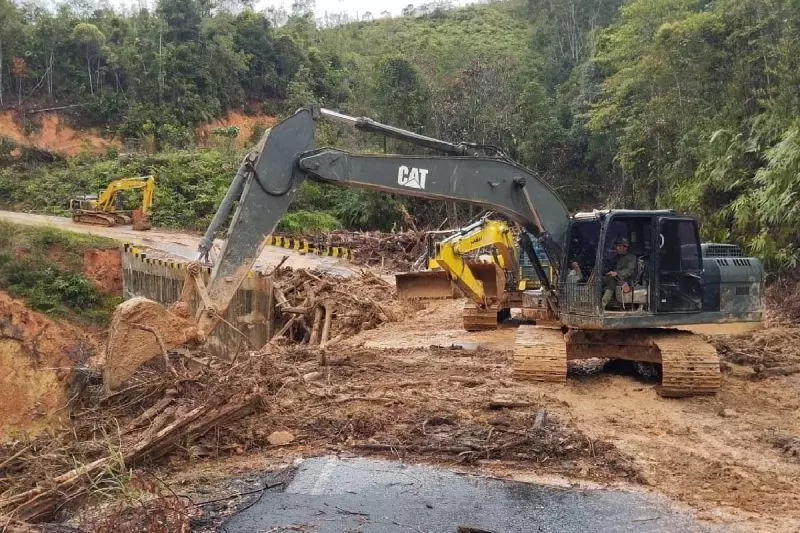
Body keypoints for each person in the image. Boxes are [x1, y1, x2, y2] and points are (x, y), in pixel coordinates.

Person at [602, 237, 636, 308]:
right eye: (616, 246)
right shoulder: (617, 257)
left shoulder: (631, 257)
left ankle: (602, 304)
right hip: (616, 278)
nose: (617, 248)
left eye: (619, 246)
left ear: (625, 248)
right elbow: (610, 267)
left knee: (612, 281)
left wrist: (617, 273)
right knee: (600, 279)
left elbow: (629, 271)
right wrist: (604, 272)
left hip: (626, 280)